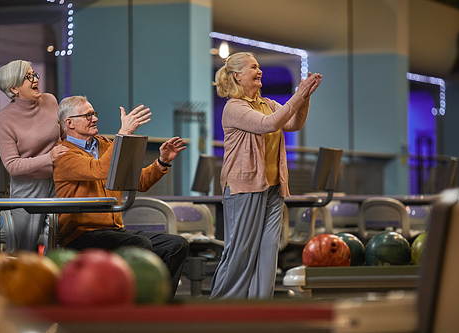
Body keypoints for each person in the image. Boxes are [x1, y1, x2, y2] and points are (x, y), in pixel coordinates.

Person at [210, 52, 322, 299]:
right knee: (241, 252)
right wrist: (299, 95)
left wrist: (306, 100)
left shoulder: (268, 103)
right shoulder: (234, 107)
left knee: (269, 250)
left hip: (272, 188)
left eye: (259, 66)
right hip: (244, 187)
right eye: (253, 67)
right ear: (237, 76)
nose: (259, 71)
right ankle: (221, 309)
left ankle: (260, 309)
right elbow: (269, 125)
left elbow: (292, 123)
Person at [53, 95, 189, 298]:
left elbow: (139, 182)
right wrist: (123, 133)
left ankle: (158, 307)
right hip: (82, 235)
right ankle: (129, 309)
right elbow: (100, 170)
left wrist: (161, 162)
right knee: (139, 245)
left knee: (176, 245)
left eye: (94, 114)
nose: (95, 118)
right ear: (69, 123)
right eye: (88, 115)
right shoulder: (63, 155)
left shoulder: (106, 146)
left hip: (114, 231)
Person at [0, 60, 68, 252]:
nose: (35, 79)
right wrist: (48, 158)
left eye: (34, 74)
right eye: (28, 77)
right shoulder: (3, 120)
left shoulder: (50, 100)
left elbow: (62, 135)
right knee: (24, 250)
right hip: (27, 188)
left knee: (59, 244)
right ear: (14, 88)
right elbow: (12, 165)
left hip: (58, 181)